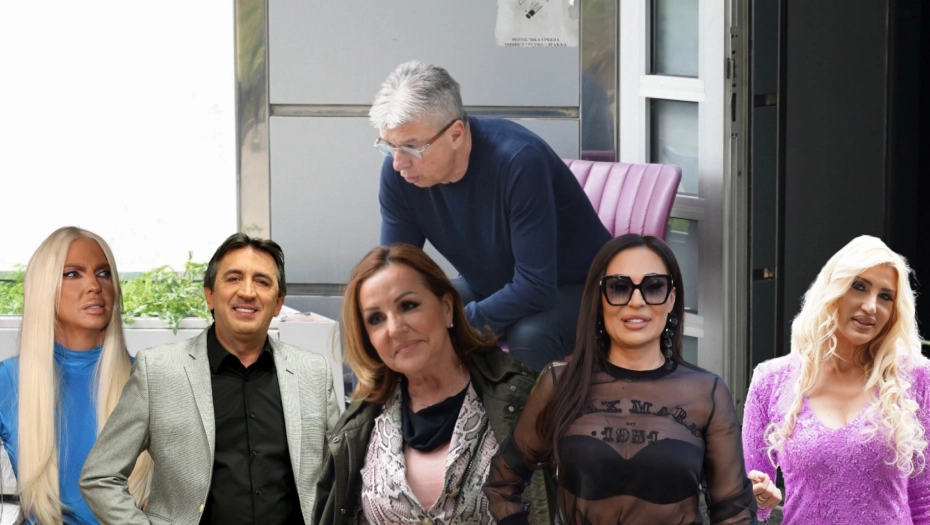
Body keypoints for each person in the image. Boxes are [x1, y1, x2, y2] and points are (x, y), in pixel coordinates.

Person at [484, 234, 757, 525]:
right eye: (619, 287)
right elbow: (502, 486)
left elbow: (735, 515)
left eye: (654, 287)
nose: (636, 301)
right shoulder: (559, 383)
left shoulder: (707, 393)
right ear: (600, 299)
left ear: (671, 299)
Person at [80, 233, 341, 524]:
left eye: (262, 281)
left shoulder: (313, 372)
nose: (247, 292)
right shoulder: (157, 371)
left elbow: (347, 473)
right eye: (233, 278)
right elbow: (100, 477)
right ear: (210, 296)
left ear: (278, 302)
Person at [371, 60, 611, 371]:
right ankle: (396, 403)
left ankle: (542, 407)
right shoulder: (400, 174)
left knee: (529, 334)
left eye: (411, 147)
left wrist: (453, 325)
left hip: (581, 288)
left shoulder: (519, 162)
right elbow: (395, 272)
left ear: (456, 134)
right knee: (398, 315)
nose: (398, 163)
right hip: (493, 284)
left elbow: (535, 287)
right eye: (389, 146)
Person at [313, 243, 553, 525]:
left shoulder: (523, 398)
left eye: (408, 306)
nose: (395, 328)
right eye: (376, 319)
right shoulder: (357, 425)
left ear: (447, 307)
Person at [742, 235, 930, 523]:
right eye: (859, 286)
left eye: (885, 296)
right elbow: (750, 503)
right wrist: (758, 499)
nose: (871, 306)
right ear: (833, 291)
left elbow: (924, 500)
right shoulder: (771, 381)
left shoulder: (916, 377)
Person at [0, 227, 152, 524]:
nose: (94, 285)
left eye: (104, 273)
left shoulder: (151, 381)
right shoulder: (8, 381)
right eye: (72, 274)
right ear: (44, 287)